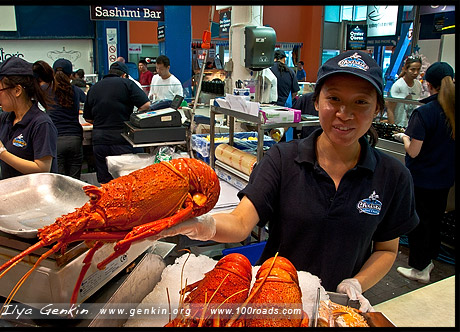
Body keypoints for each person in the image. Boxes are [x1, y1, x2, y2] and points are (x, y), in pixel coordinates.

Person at [154, 51, 419, 312]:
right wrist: (203, 225)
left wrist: (357, 283)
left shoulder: (394, 176)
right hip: (271, 301)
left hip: (338, 307)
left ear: (378, 108)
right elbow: (240, 223)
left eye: (360, 102)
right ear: (316, 102)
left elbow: (386, 249)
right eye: (334, 98)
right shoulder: (282, 159)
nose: (344, 113)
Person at [393, 62, 455, 283]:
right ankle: (429, 261)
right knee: (435, 221)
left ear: (428, 84)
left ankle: (419, 269)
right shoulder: (452, 111)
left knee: (419, 223)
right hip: (445, 179)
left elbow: (414, 151)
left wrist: (404, 137)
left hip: (422, 180)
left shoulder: (424, 113)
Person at [0, 56, 58, 179]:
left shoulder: (41, 123)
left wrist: (0, 152)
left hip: (37, 195)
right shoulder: (7, 119)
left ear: (17, 90)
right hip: (15, 192)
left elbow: (42, 168)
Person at [83, 61, 150, 184]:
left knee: (105, 183)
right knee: (126, 181)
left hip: (100, 140)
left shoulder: (94, 87)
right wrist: (133, 118)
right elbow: (146, 105)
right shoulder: (127, 84)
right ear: (124, 75)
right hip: (122, 139)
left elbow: (88, 118)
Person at [45, 58, 86, 180]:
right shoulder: (76, 91)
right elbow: (89, 103)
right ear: (71, 75)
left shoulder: (46, 91)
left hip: (55, 139)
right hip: (75, 138)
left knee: (60, 183)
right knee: (74, 182)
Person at [386, 56, 423, 127]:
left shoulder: (418, 84)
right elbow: (390, 109)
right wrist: (393, 128)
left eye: (418, 69)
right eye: (412, 69)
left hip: (412, 126)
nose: (416, 72)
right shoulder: (398, 85)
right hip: (399, 125)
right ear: (406, 69)